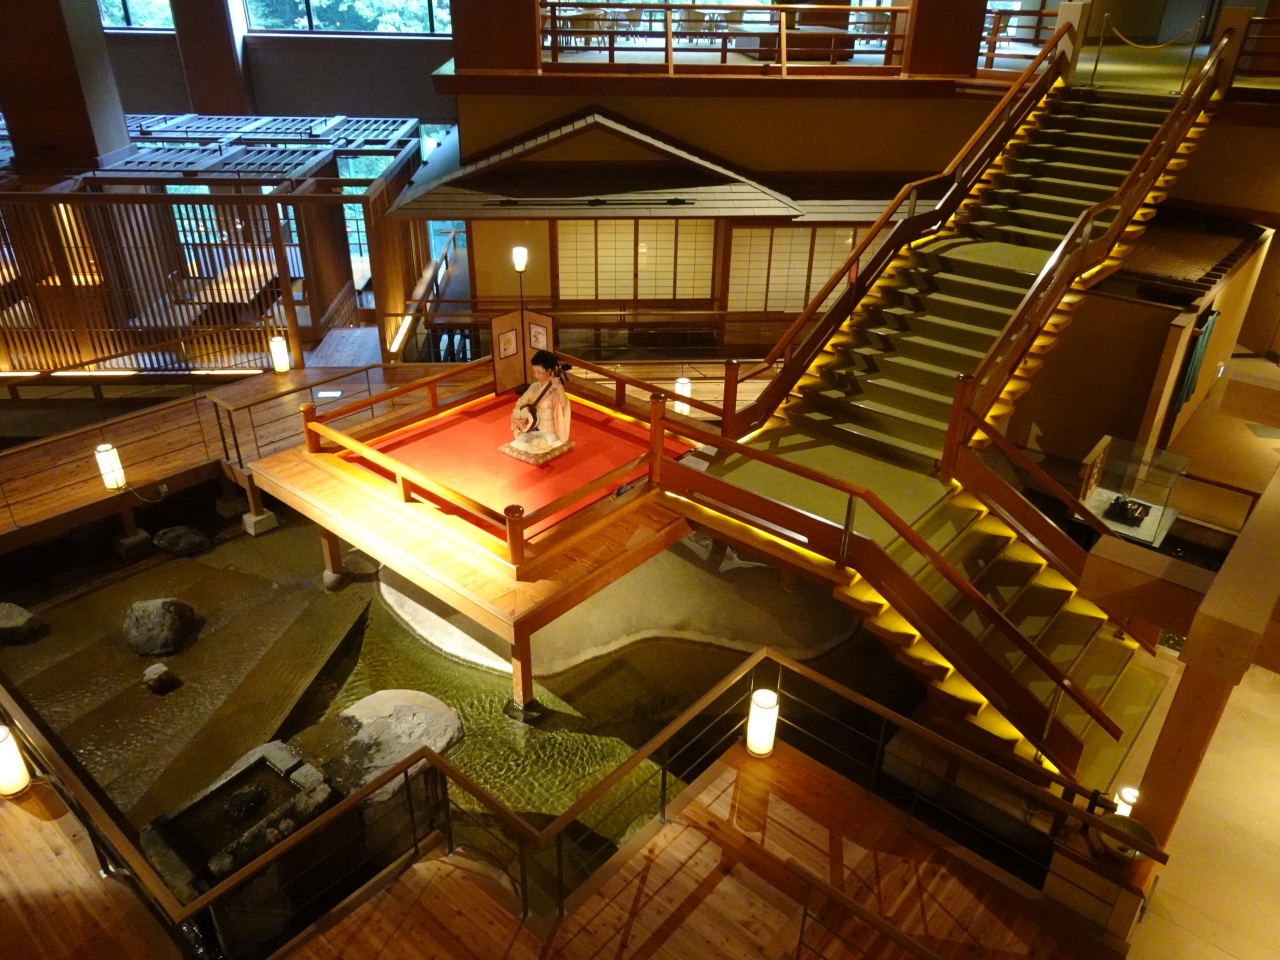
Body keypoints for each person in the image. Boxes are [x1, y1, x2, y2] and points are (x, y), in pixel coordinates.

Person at [509, 350, 571, 455]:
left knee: (539, 444)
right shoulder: (534, 387)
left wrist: (559, 387)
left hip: (549, 431)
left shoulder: (556, 389)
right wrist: (516, 419)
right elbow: (520, 403)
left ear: (549, 371)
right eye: (534, 372)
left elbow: (564, 405)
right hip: (534, 427)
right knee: (521, 440)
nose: (536, 375)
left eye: (539, 372)